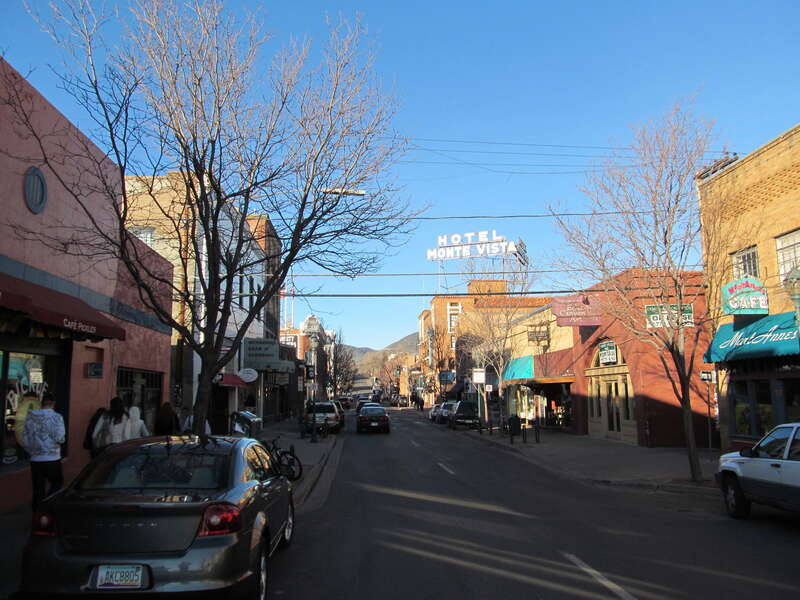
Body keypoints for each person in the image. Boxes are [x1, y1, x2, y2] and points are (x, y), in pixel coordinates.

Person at [21, 392, 65, 510]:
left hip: (35, 459)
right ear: (53, 403)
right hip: (52, 458)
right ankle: (47, 506)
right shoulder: (57, 417)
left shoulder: (30, 417)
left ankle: (37, 513)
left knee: (38, 489)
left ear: (42, 403)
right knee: (57, 483)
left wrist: (32, 451)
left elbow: (24, 439)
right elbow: (60, 438)